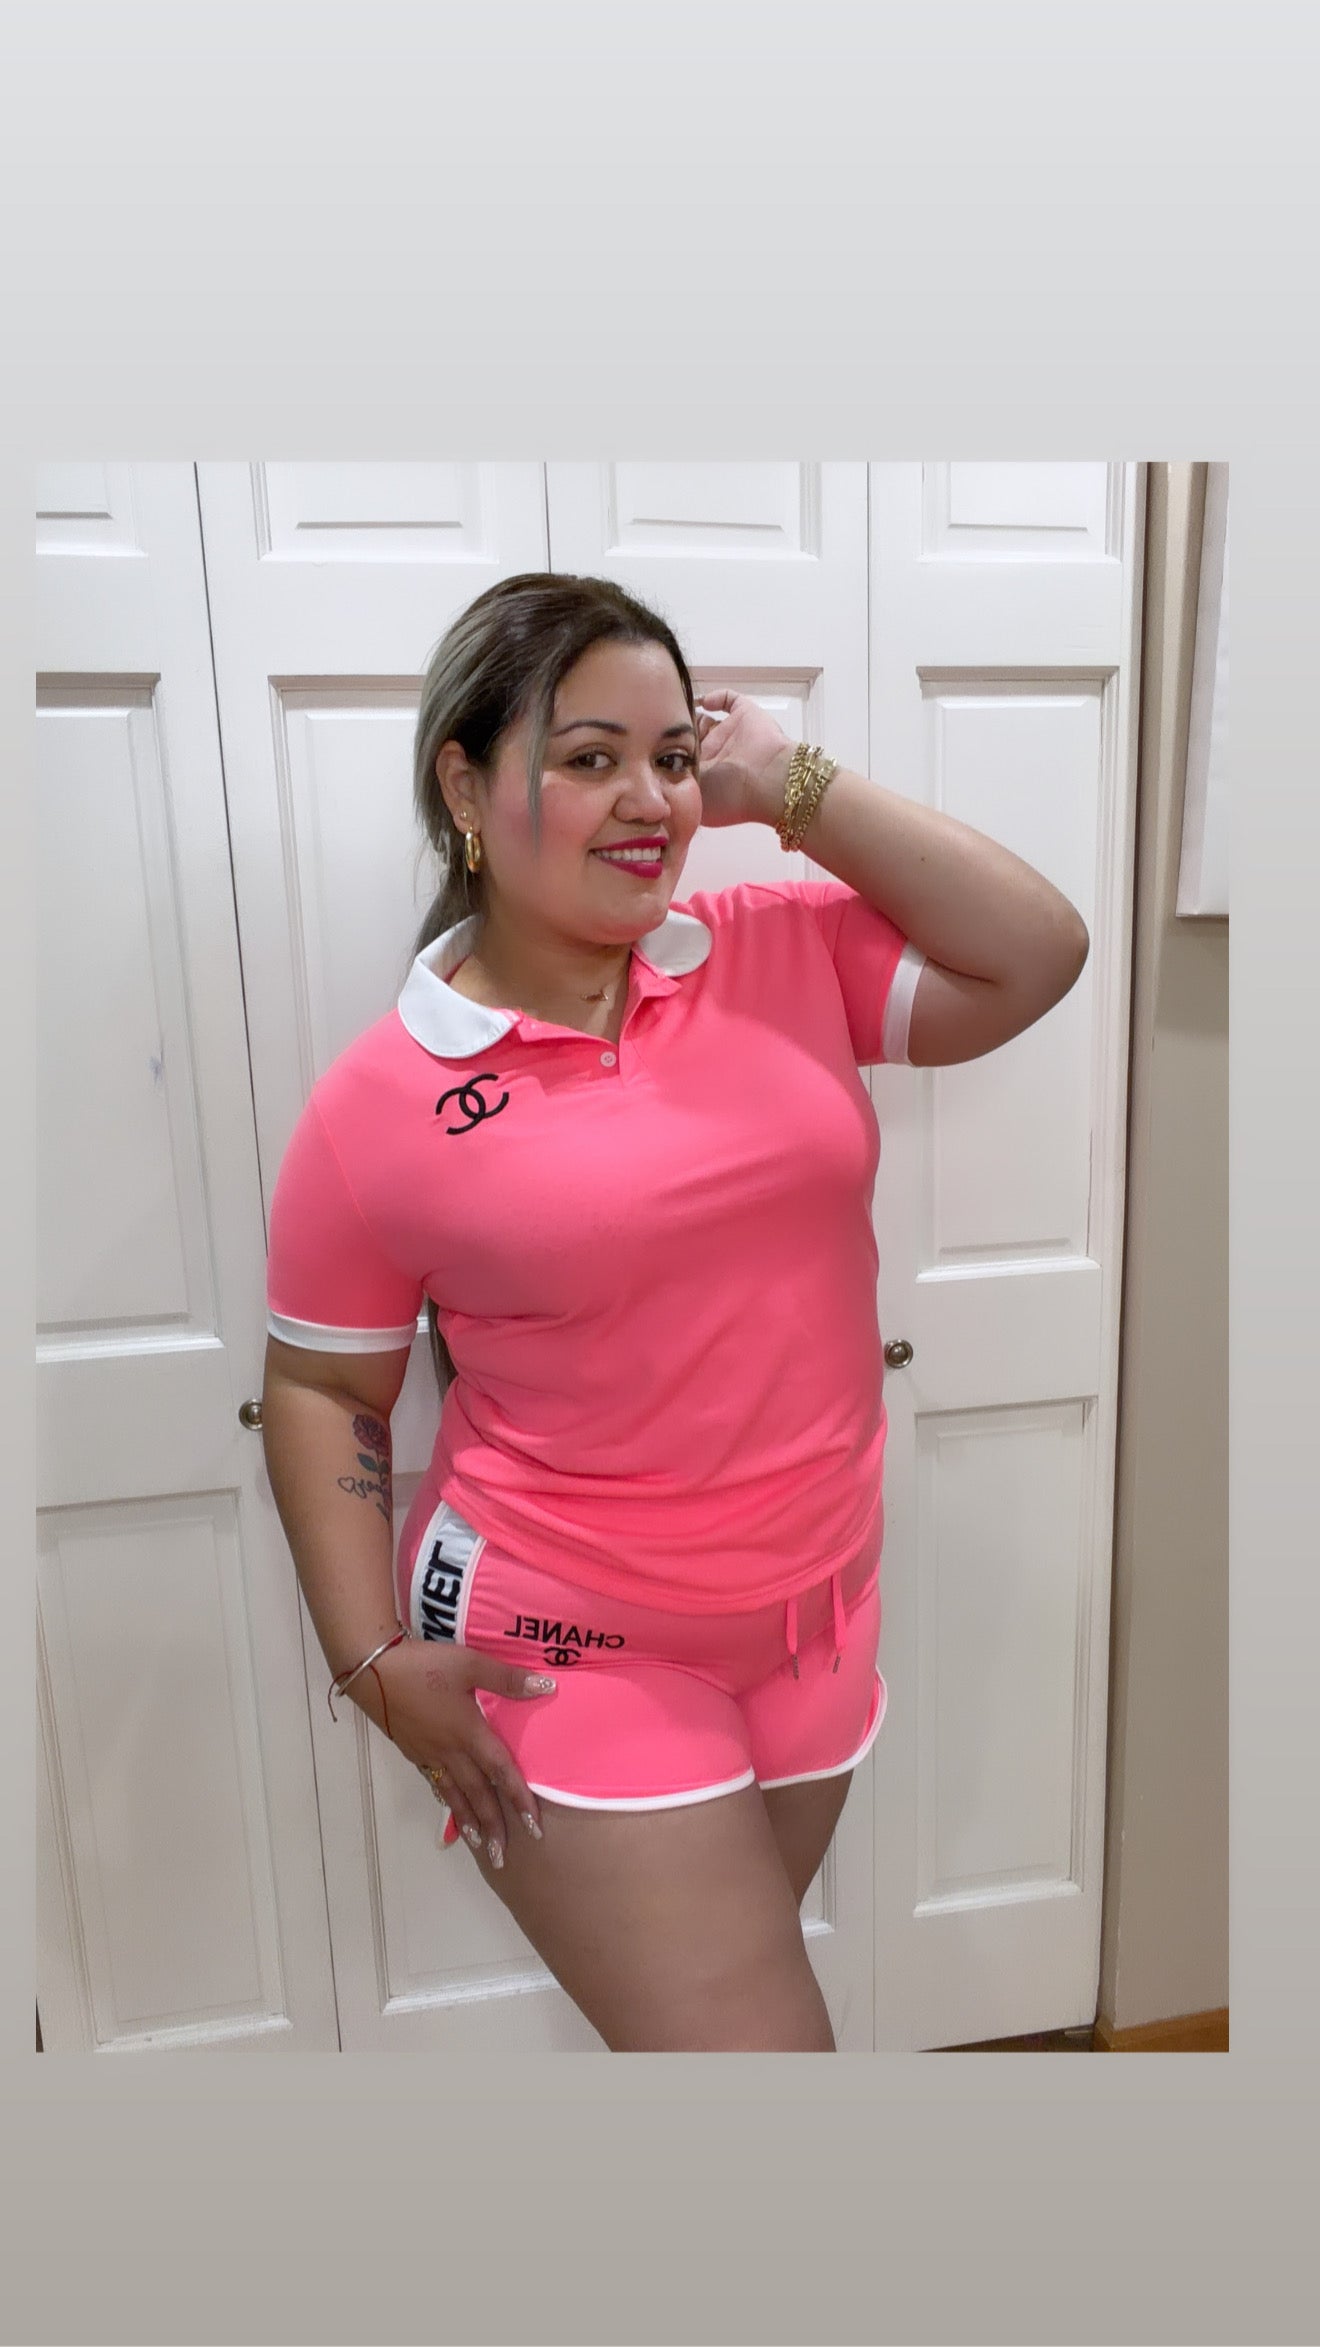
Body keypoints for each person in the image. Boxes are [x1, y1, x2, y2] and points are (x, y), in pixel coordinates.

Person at [260, 572, 1089, 2052]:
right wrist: (370, 1658)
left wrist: (793, 784)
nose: (650, 800)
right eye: (590, 758)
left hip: (818, 1616)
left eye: (672, 756)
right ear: (465, 784)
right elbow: (327, 1390)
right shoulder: (380, 1105)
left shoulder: (778, 950)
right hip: (565, 1643)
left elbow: (1037, 952)